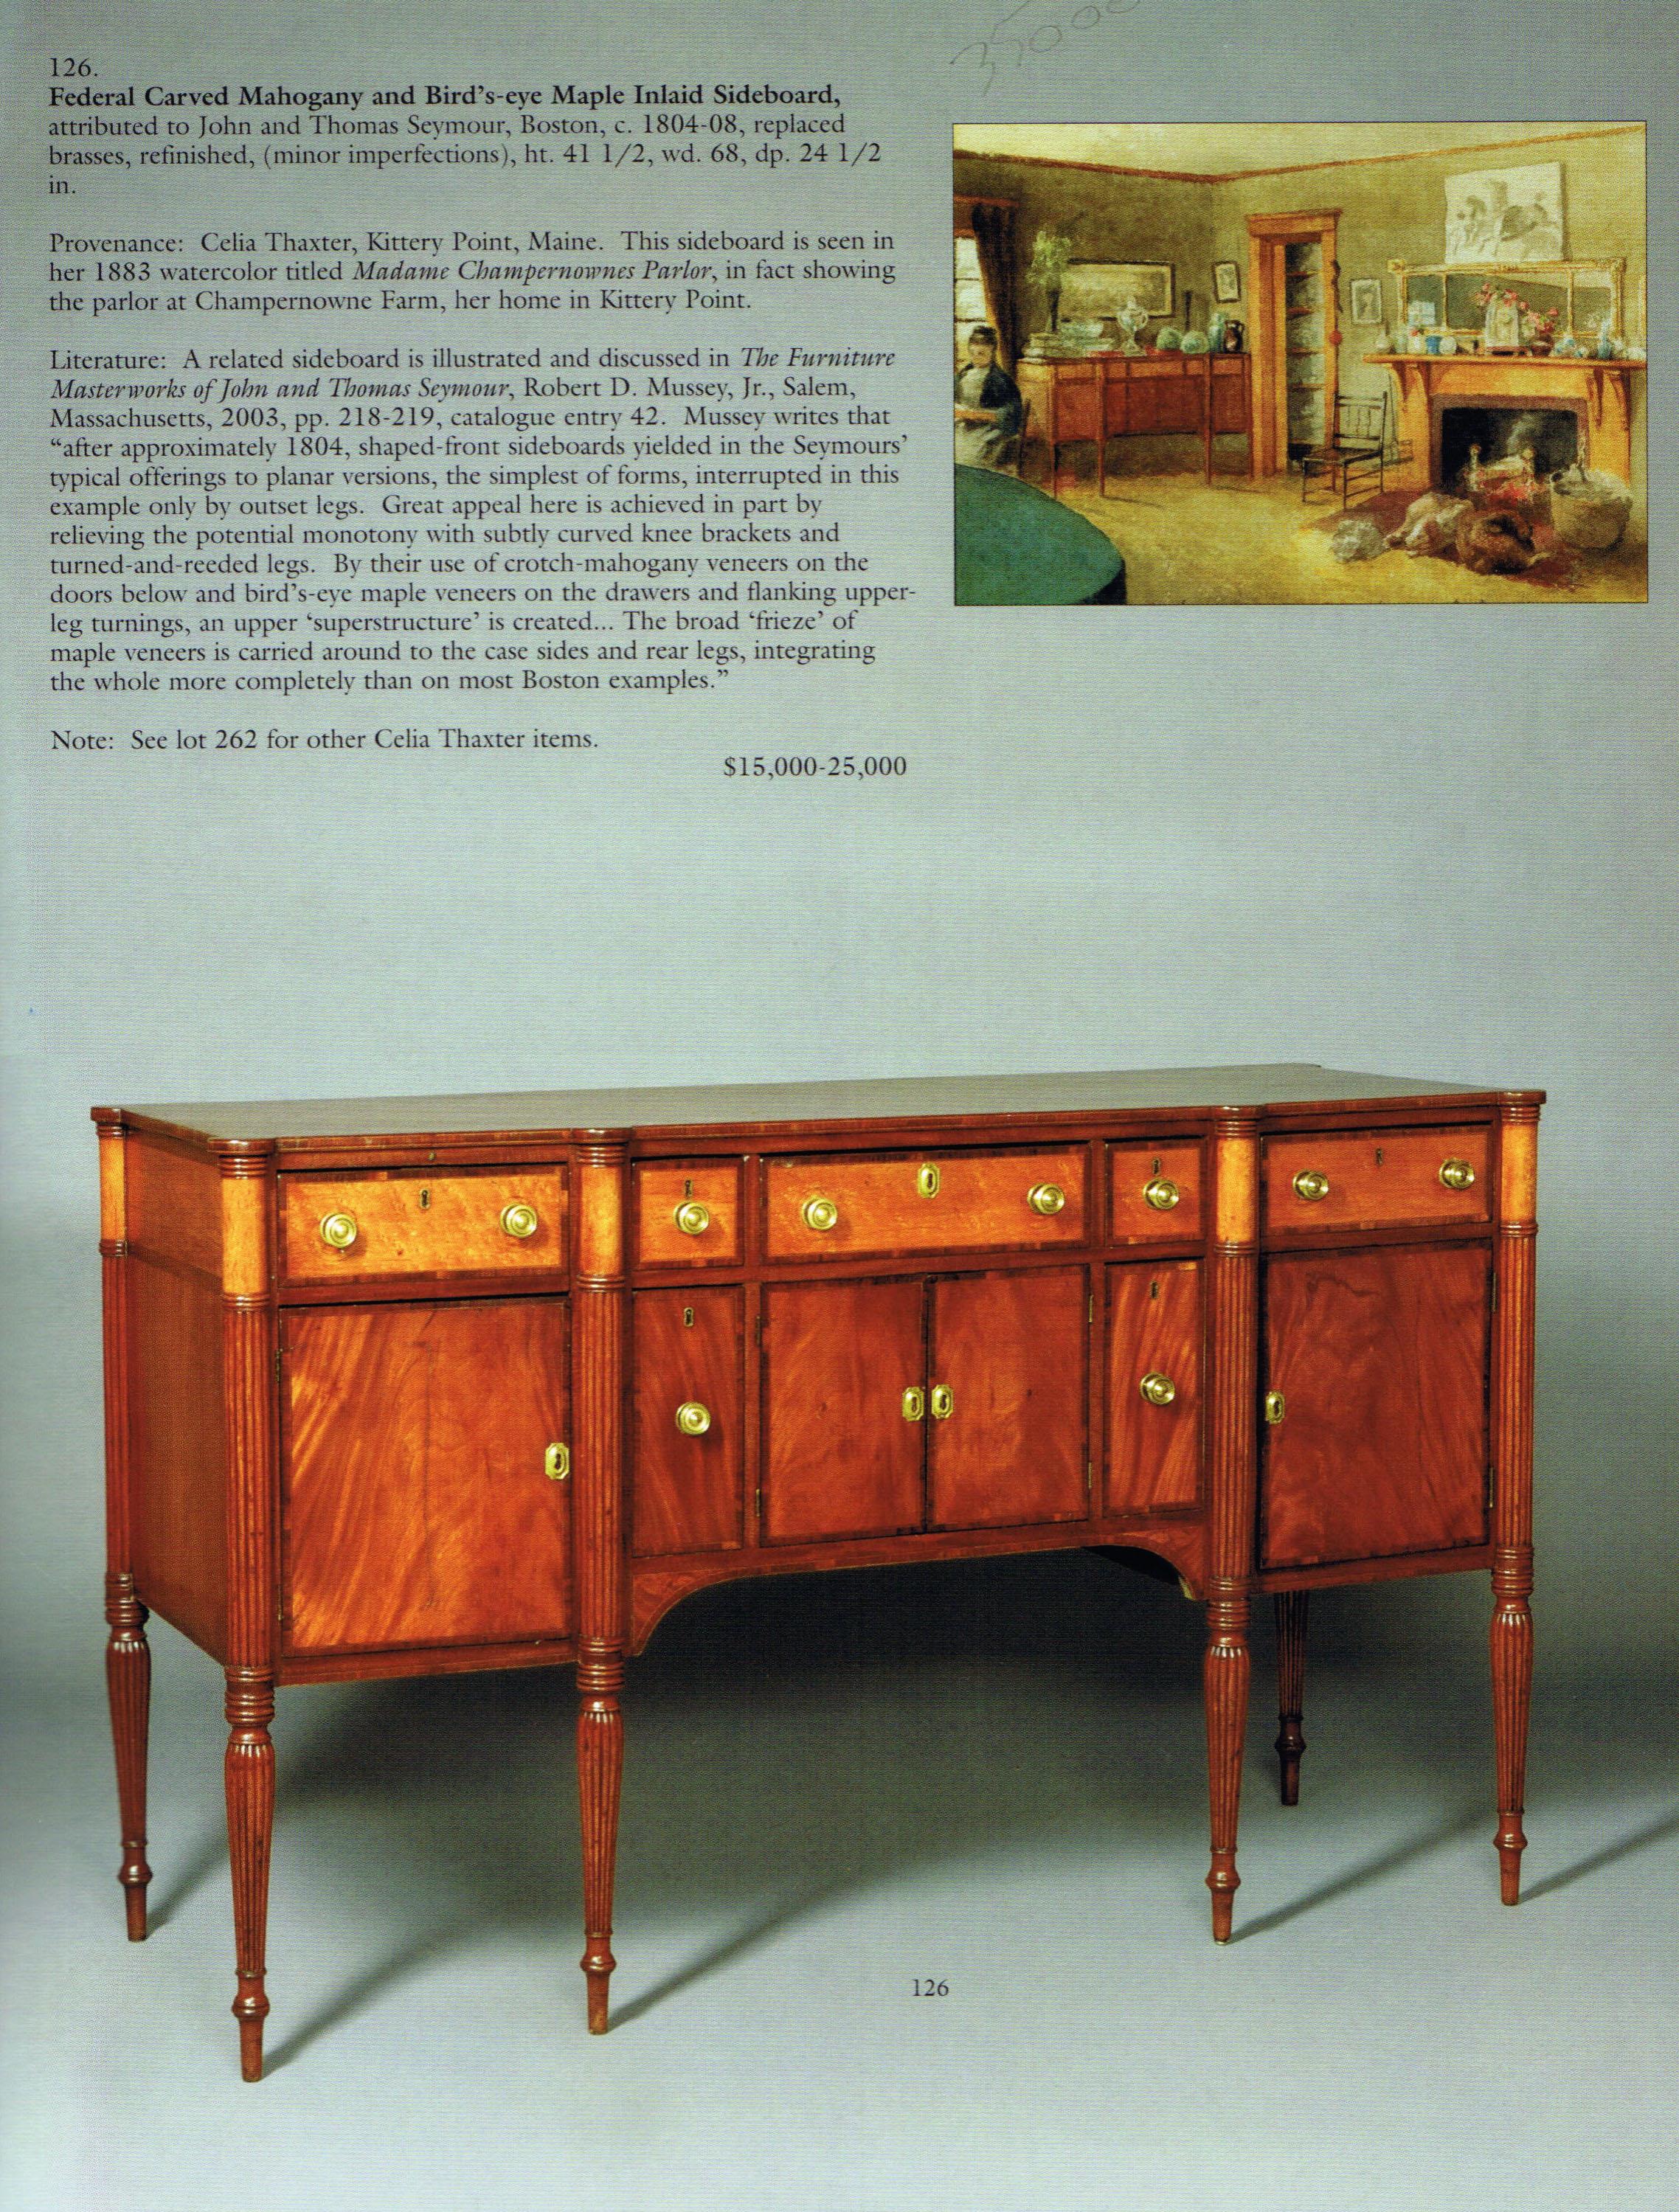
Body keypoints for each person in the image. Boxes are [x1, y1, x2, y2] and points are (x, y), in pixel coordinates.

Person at [954, 325, 1022, 469]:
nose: (975, 358)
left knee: (968, 458)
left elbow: (1012, 413)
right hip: (963, 425)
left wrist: (979, 415)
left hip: (989, 429)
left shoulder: (1000, 379)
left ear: (992, 353)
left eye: (981, 354)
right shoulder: (963, 375)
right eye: (972, 353)